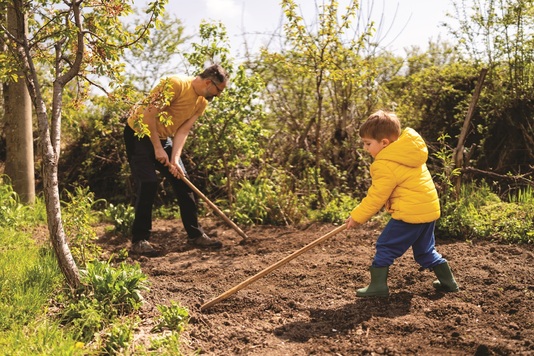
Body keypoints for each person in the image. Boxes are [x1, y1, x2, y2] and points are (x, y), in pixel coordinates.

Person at [346, 110, 459, 297]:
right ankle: (448, 281)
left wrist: (358, 217)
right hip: (427, 210)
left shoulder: (385, 164)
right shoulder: (409, 153)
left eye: (368, 143)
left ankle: (378, 287)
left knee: (385, 245)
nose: (365, 148)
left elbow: (376, 196)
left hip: (409, 214)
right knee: (424, 251)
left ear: (384, 143)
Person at [124, 64, 229, 255]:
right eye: (219, 90)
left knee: (184, 181)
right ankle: (139, 241)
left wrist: (175, 158)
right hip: (138, 134)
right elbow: (149, 113)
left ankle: (195, 236)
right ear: (208, 82)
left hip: (164, 139)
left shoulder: (201, 103)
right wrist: (157, 148)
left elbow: (183, 131)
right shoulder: (175, 84)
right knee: (148, 183)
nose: (218, 95)